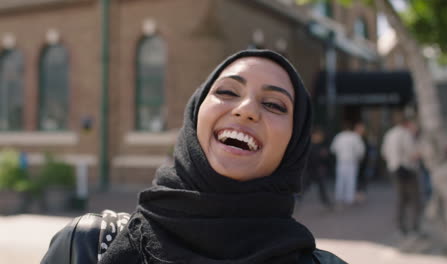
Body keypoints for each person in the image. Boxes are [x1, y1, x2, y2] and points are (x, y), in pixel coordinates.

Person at [41, 50, 346, 263]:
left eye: (275, 105)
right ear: (195, 115)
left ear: (294, 144)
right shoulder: (84, 247)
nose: (246, 109)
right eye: (227, 92)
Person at [381, 117, 422, 235]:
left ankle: (400, 226)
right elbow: (412, 153)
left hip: (394, 169)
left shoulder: (389, 134)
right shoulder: (406, 134)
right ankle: (414, 226)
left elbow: (384, 153)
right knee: (415, 199)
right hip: (407, 169)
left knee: (400, 198)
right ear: (408, 124)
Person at [330, 122, 365, 206]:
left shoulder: (339, 136)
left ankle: (339, 196)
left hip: (341, 161)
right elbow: (360, 150)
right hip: (352, 161)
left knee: (340, 179)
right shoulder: (355, 137)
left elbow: (333, 149)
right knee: (351, 180)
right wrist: (359, 158)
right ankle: (349, 198)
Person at [303, 127, 332, 208]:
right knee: (304, 187)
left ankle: (326, 202)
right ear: (314, 136)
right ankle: (296, 200)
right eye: (319, 136)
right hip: (309, 170)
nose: (321, 137)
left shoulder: (319, 145)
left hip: (316, 170)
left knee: (321, 186)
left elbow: (323, 158)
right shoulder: (309, 145)